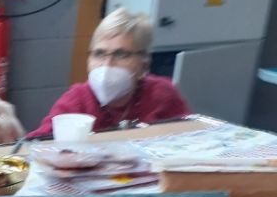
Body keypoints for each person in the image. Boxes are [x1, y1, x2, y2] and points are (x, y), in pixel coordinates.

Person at [27, 8, 189, 138]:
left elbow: (188, 139)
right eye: (99, 53)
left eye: (120, 54)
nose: (107, 64)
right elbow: (38, 143)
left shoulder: (161, 94)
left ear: (143, 64)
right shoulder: (77, 100)